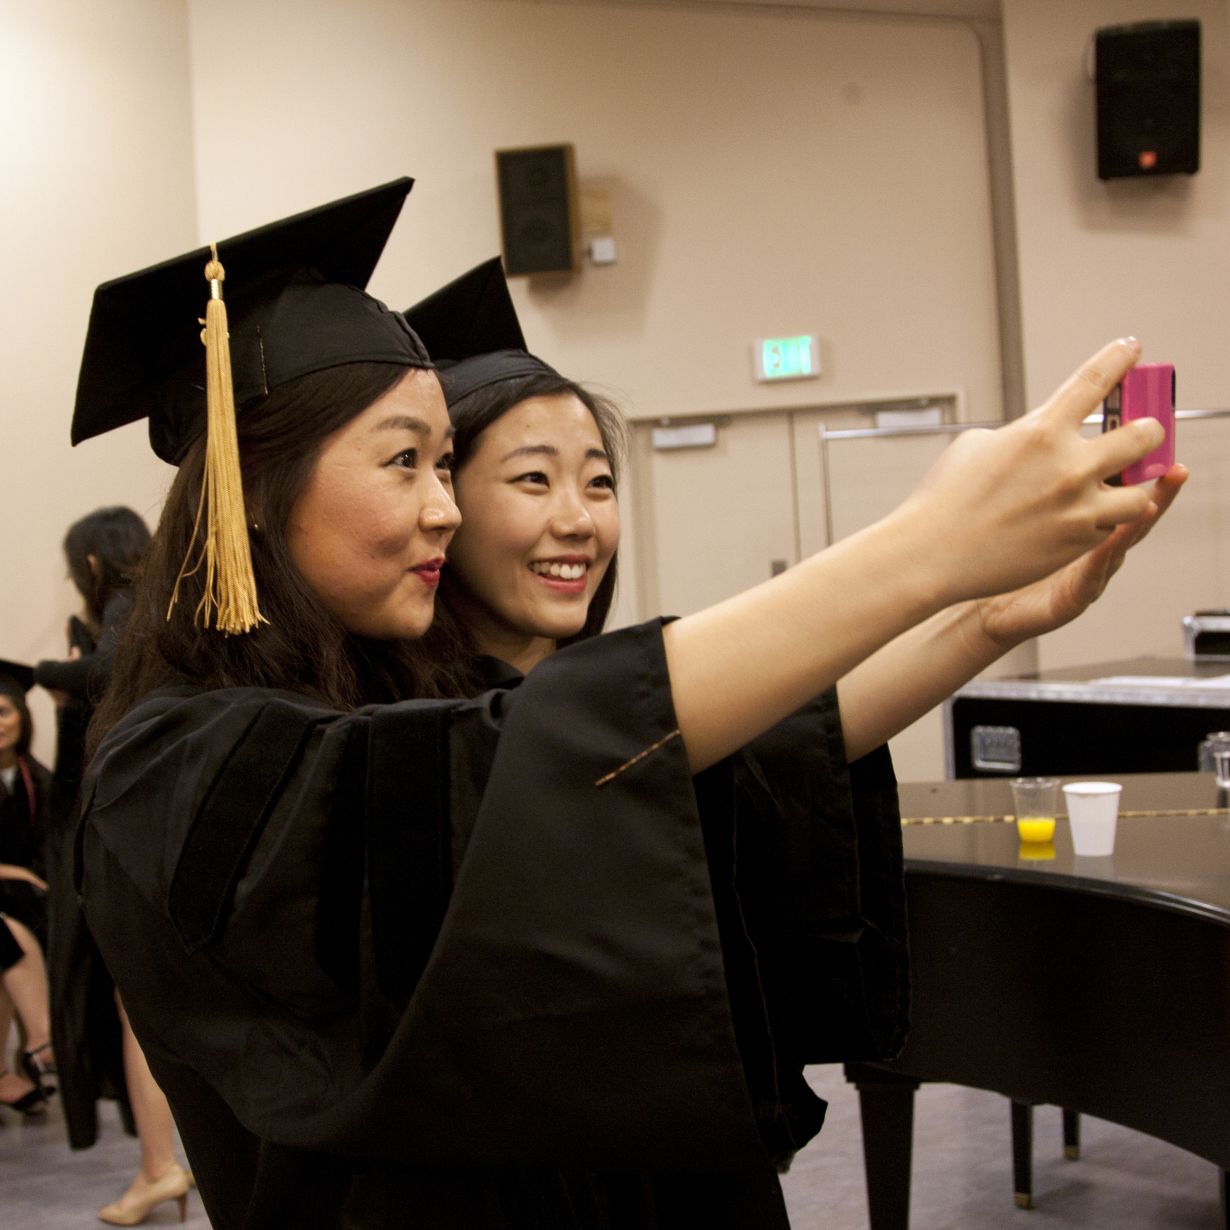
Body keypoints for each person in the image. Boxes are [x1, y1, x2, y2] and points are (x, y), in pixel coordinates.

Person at [72, 180, 1181, 1230]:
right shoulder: (172, 763)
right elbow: (508, 775)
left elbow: (693, 770)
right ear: (252, 490)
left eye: (449, 466)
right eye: (404, 462)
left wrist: (981, 621)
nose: (444, 509)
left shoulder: (384, 683)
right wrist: (925, 551)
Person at [33, 508, 194, 1226]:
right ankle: (159, 1167)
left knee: (138, 1008)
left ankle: (161, 1168)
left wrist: (45, 671)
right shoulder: (175, 600)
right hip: (163, 819)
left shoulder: (133, 603)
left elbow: (103, 670)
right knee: (143, 1010)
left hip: (140, 828)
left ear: (95, 563)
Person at [0, 659, 56, 1115]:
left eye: (3, 711)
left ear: (22, 715)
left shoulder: (39, 780)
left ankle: (8, 1071)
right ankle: (41, 1038)